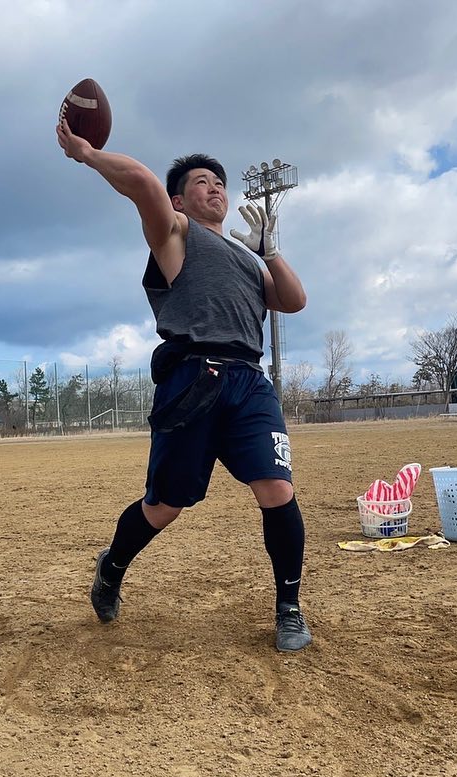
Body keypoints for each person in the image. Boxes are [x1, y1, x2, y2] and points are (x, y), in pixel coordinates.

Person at [56, 120, 312, 652]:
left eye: (220, 182)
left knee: (278, 490)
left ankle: (288, 607)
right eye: (201, 181)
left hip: (249, 381)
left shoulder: (247, 257)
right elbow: (145, 184)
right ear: (180, 198)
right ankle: (113, 566)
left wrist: (269, 250)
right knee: (164, 506)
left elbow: (292, 300)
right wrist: (86, 153)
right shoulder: (175, 235)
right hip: (193, 380)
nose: (215, 187)